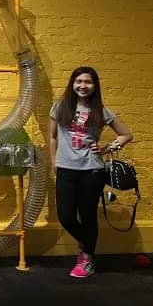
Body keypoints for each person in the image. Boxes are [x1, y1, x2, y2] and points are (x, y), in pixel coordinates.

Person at [48, 66, 133, 278]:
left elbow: (126, 134)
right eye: (79, 81)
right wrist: (53, 161)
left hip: (92, 170)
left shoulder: (101, 111)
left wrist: (106, 148)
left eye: (88, 82)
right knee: (66, 216)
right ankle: (87, 244)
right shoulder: (60, 107)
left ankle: (86, 260)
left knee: (88, 217)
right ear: (72, 83)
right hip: (66, 169)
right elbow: (52, 137)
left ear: (94, 86)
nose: (83, 86)